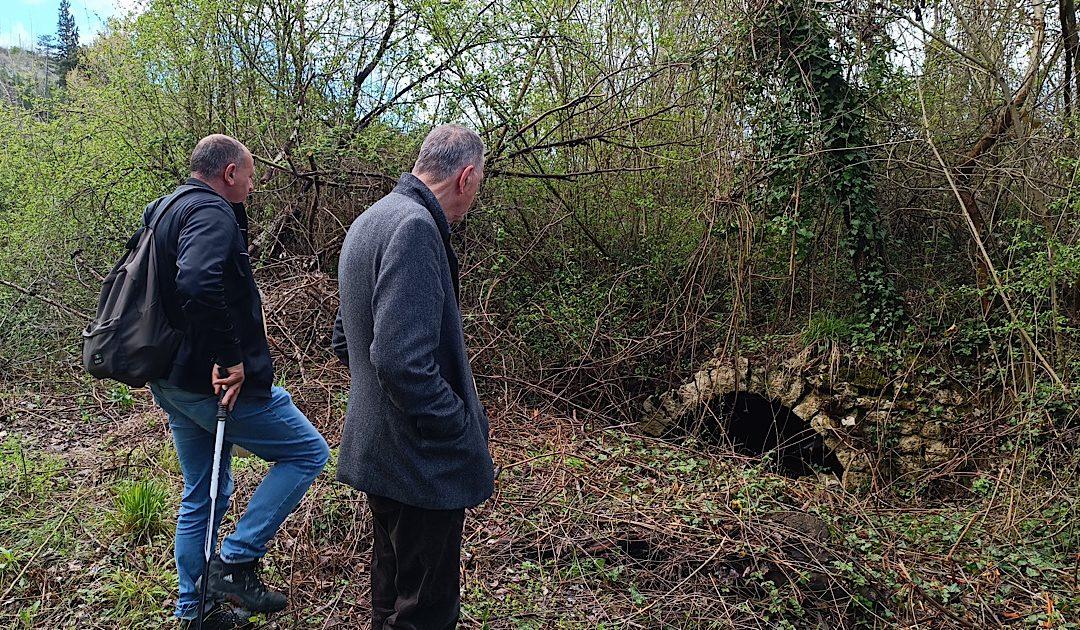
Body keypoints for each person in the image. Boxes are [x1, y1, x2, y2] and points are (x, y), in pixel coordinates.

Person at [147, 134, 329, 629]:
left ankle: (195, 610)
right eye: (250, 175)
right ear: (230, 173)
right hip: (211, 381)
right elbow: (198, 283)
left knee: (202, 492)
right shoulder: (211, 212)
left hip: (172, 378)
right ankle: (235, 561)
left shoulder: (165, 209)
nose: (252, 184)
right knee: (307, 452)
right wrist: (230, 356)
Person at [332, 124, 494, 629]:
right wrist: (457, 426)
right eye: (480, 183)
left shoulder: (370, 219)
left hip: (380, 454)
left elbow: (345, 340)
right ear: (466, 177)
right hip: (420, 463)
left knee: (393, 595)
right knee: (425, 611)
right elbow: (402, 361)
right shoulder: (416, 228)